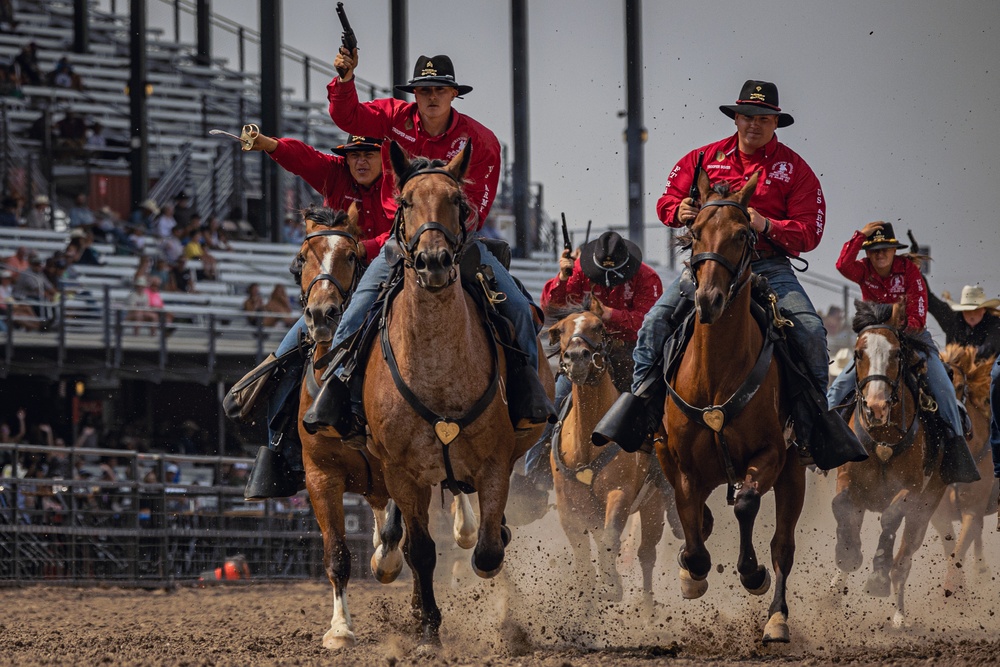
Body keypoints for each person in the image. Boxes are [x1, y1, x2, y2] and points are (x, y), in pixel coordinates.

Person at [594, 79, 845, 464]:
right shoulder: (702, 158)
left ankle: (813, 429)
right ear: (736, 118)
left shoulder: (794, 169)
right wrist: (676, 210)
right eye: (747, 116)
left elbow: (810, 231)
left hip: (770, 267)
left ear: (776, 123)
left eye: (763, 118)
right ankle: (643, 414)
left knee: (811, 331)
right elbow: (667, 199)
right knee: (654, 324)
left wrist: (767, 226)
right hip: (709, 267)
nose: (753, 125)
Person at [305, 50, 553, 439]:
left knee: (520, 308)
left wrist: (443, 237)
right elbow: (347, 117)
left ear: (454, 94)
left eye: (439, 89)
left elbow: (479, 205)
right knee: (353, 314)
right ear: (414, 94)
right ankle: (338, 396)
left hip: (460, 243)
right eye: (423, 90)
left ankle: (528, 392)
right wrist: (345, 80)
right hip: (400, 244)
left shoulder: (482, 141)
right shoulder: (392, 118)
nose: (431, 96)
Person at [827, 222, 979, 484]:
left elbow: (918, 319)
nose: (880, 254)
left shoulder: (910, 272)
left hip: (913, 338)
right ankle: (821, 440)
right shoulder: (862, 269)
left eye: (885, 249)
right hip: (875, 341)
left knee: (943, 389)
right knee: (839, 386)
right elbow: (842, 265)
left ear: (894, 250)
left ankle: (956, 450)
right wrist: (859, 235)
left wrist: (894, 335)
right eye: (874, 250)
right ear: (868, 253)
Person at [523, 230, 662, 486]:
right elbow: (552, 306)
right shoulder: (579, 270)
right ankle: (534, 479)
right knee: (551, 407)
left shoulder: (647, 278)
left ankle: (662, 478)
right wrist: (562, 279)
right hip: (586, 357)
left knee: (652, 409)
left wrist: (609, 314)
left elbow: (649, 323)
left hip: (631, 357)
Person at [925, 284, 1000, 360]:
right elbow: (929, 300)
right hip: (954, 368)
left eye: (976, 310)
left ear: (984, 309)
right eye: (967, 310)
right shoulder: (952, 319)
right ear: (962, 310)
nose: (972, 315)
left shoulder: (995, 324)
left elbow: (990, 347)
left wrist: (962, 354)